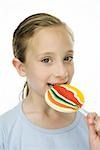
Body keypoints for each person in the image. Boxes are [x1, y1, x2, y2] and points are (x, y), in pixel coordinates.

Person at [0, 13, 100, 150]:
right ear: (21, 67)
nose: (62, 72)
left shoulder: (91, 127)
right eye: (46, 60)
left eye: (67, 58)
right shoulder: (4, 130)